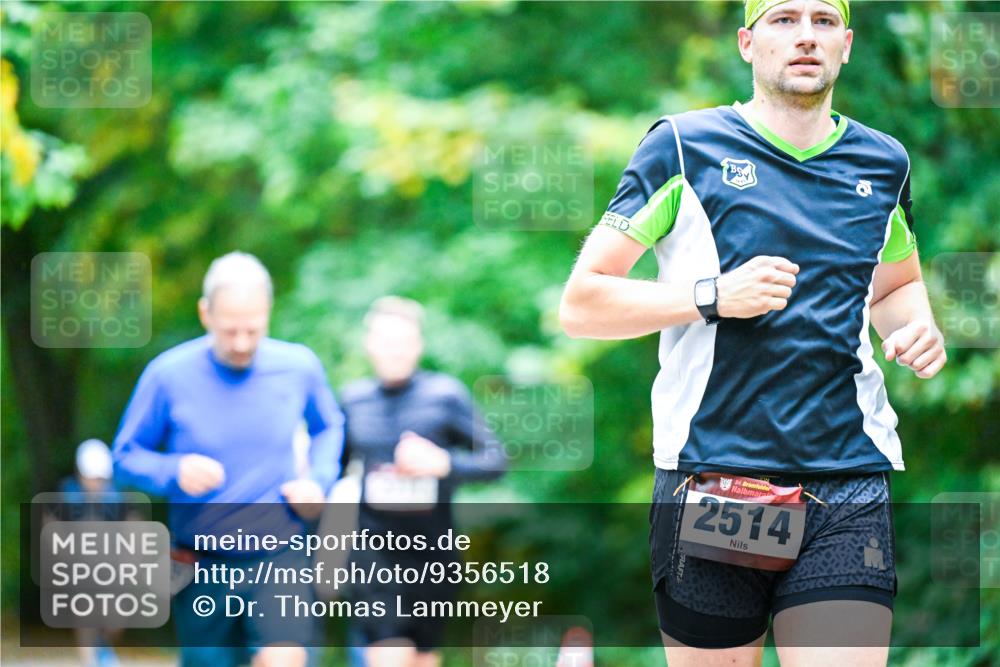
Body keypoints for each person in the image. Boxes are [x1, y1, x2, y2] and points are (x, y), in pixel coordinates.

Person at [558, 1, 946, 665]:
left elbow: (894, 287)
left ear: (847, 44)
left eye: (824, 21)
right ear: (746, 42)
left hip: (847, 477)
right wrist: (712, 297)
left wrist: (917, 327)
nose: (806, 36)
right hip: (716, 479)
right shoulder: (683, 147)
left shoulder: (884, 162)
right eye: (784, 19)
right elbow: (583, 302)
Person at [112, 252, 345, 667]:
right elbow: (124, 457)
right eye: (229, 331)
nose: (241, 344)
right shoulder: (167, 375)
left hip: (279, 553)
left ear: (268, 313)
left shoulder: (298, 367)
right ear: (205, 314)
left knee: (284, 659)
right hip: (199, 563)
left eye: (253, 330)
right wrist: (172, 470)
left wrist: (320, 480)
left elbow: (329, 427)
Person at [338, 296, 505, 667]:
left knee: (423, 659)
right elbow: (333, 469)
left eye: (403, 341)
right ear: (369, 345)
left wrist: (444, 462)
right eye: (386, 341)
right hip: (373, 555)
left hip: (433, 555)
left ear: (418, 345)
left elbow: (496, 460)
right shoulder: (353, 400)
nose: (395, 351)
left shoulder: (444, 395)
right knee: (389, 654)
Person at [56, 439, 126, 667]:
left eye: (100, 478)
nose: (96, 483)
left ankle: (103, 646)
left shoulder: (116, 497)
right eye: (92, 477)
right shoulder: (67, 495)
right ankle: (89, 660)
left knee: (114, 620)